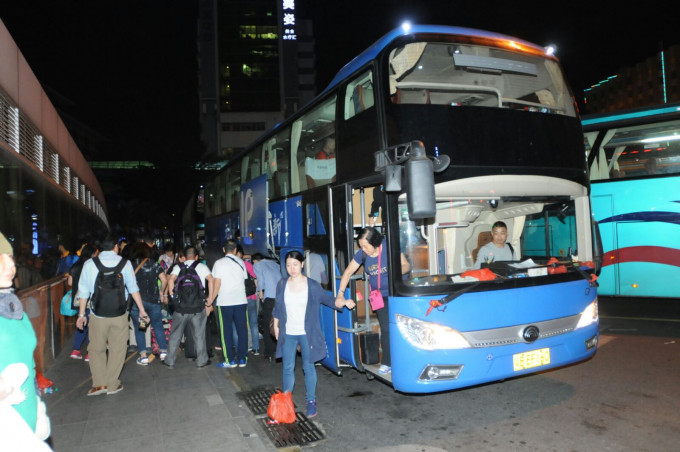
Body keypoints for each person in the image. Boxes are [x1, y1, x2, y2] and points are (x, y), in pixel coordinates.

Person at [272, 251, 355, 417]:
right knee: (287, 368)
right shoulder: (282, 284)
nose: (292, 268)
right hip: (288, 332)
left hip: (306, 333)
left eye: (295, 264)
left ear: (302, 264)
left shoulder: (312, 285)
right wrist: (276, 326)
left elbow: (327, 299)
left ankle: (311, 401)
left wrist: (343, 301)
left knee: (308, 367)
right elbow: (278, 307)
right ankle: (286, 400)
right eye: (288, 265)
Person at [75, 236, 149, 396]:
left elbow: (83, 292)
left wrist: (81, 315)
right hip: (119, 314)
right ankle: (112, 383)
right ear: (116, 247)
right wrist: (142, 310)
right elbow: (133, 288)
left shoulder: (89, 264)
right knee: (118, 348)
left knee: (96, 349)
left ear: (100, 248)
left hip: (97, 314)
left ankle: (99, 384)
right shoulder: (125, 263)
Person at [0, 231, 51, 449]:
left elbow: (28, 362)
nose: (10, 266)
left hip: (28, 416)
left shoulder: (11, 306)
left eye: (9, 258)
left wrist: (37, 404)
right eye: (1, 260)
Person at [335, 227, 410, 375]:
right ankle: (388, 362)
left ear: (375, 242)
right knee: (386, 328)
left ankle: (405, 359)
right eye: (361, 246)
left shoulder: (389, 246)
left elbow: (406, 265)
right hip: (380, 297)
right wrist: (340, 294)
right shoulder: (362, 254)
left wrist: (394, 273)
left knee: (402, 326)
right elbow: (348, 272)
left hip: (398, 293)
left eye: (365, 246)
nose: (363, 249)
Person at [164, 245, 214, 369]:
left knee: (175, 334)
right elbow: (211, 280)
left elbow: (170, 280)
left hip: (180, 309)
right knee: (199, 335)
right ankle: (201, 361)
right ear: (196, 257)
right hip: (198, 308)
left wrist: (173, 296)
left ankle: (170, 361)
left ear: (185, 257)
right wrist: (210, 298)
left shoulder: (178, 267)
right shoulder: (201, 266)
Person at [128, 242, 168, 365]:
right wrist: (161, 292)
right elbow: (164, 279)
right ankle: (163, 353)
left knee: (141, 328)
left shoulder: (131, 265)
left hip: (138, 303)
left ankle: (143, 356)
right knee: (157, 326)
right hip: (154, 302)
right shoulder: (154, 264)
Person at [212, 240, 249, 368]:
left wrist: (211, 299)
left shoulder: (218, 263)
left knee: (225, 332)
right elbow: (243, 280)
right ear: (235, 250)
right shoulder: (241, 262)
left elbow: (217, 284)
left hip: (225, 302)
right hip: (241, 301)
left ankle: (230, 360)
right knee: (242, 331)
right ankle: (242, 359)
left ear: (224, 250)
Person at [68, 243, 99, 361]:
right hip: (90, 299)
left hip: (78, 299)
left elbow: (70, 283)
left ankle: (76, 350)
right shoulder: (91, 265)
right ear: (92, 253)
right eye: (96, 253)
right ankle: (89, 353)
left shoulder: (75, 265)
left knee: (82, 324)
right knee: (91, 325)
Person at [251, 252, 282, 361]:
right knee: (279, 324)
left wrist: (260, 292)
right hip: (280, 297)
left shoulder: (257, 265)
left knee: (267, 324)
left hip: (269, 297)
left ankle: (269, 352)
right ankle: (279, 349)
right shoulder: (275, 264)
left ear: (255, 260)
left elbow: (260, 280)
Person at [236, 244, 259, 355]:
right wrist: (257, 292)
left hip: (240, 299)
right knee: (254, 323)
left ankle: (248, 345)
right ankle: (256, 348)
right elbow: (255, 278)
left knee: (244, 324)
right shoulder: (247, 264)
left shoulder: (233, 266)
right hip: (252, 297)